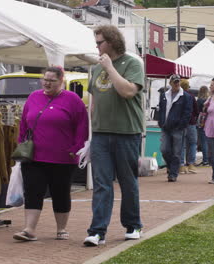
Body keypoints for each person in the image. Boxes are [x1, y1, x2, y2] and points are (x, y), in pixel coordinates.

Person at [84, 25, 145, 246]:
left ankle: (133, 225)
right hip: (101, 134)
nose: (97, 46)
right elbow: (94, 103)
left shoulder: (132, 64)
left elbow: (127, 92)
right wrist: (90, 133)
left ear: (111, 41)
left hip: (127, 133)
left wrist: (110, 67)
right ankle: (97, 230)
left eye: (100, 42)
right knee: (102, 183)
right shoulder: (95, 68)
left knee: (128, 182)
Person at [14, 66, 89, 241]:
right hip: (34, 156)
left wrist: (76, 148)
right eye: (45, 80)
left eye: (51, 80)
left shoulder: (73, 100)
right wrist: (21, 144)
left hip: (62, 157)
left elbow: (82, 126)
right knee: (33, 191)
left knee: (60, 192)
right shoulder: (33, 97)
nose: (47, 83)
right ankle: (29, 229)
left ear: (61, 81)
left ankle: (61, 229)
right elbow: (24, 124)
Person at [158, 74, 192, 182]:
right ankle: (171, 166)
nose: (177, 84)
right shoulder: (164, 95)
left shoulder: (186, 96)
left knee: (176, 152)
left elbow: (187, 113)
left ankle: (173, 173)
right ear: (170, 83)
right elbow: (161, 109)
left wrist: (181, 125)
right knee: (164, 149)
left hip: (178, 128)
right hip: (166, 127)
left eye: (178, 82)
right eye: (175, 82)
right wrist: (161, 121)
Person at [179, 79, 198, 174]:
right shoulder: (191, 96)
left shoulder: (178, 96)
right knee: (193, 143)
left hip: (181, 123)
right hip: (191, 122)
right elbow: (196, 110)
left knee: (181, 144)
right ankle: (191, 164)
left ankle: (181, 165)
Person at [196, 86, 210, 166]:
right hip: (209, 122)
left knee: (203, 141)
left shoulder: (199, 100)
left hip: (201, 122)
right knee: (208, 141)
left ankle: (205, 160)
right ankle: (207, 159)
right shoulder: (209, 100)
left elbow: (197, 111)